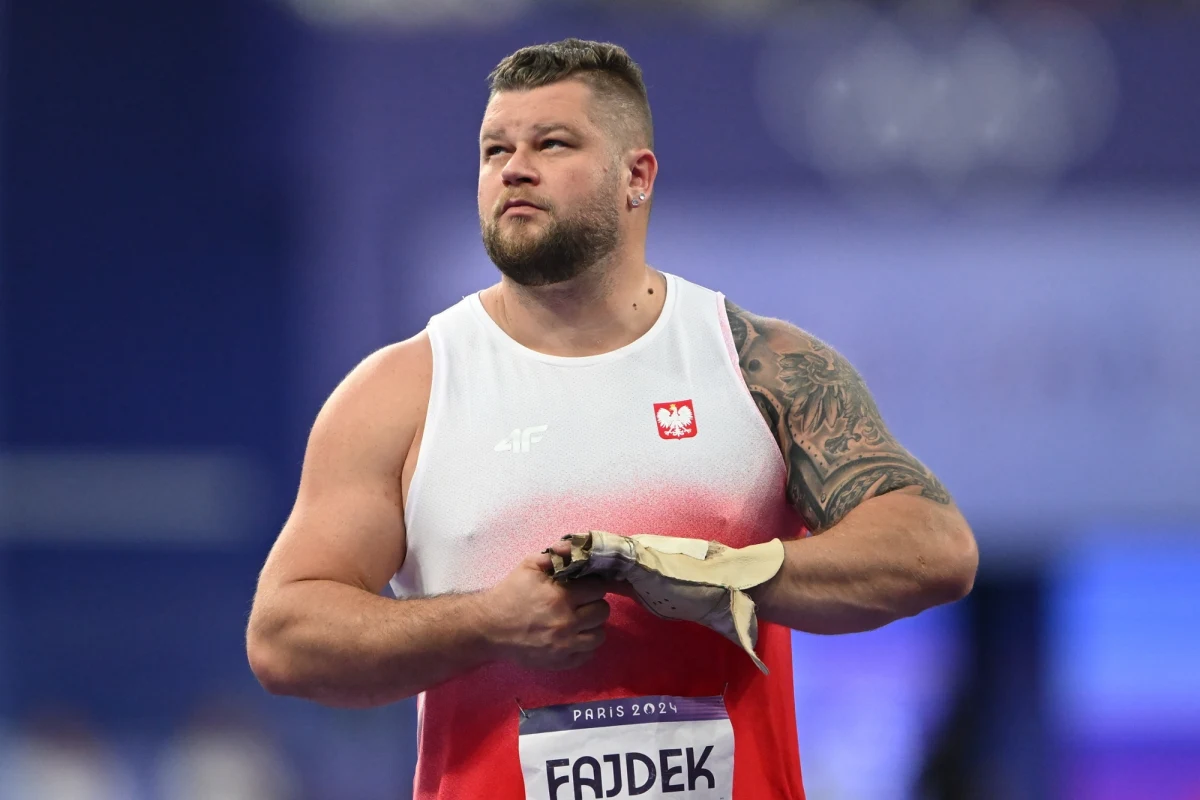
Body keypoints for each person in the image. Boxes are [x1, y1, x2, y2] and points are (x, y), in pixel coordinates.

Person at [245, 37, 978, 800]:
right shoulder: (403, 391)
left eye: (551, 143)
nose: (514, 168)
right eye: (495, 149)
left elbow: (933, 549)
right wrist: (489, 622)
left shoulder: (757, 365)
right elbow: (284, 638)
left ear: (637, 175)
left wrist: (719, 574)